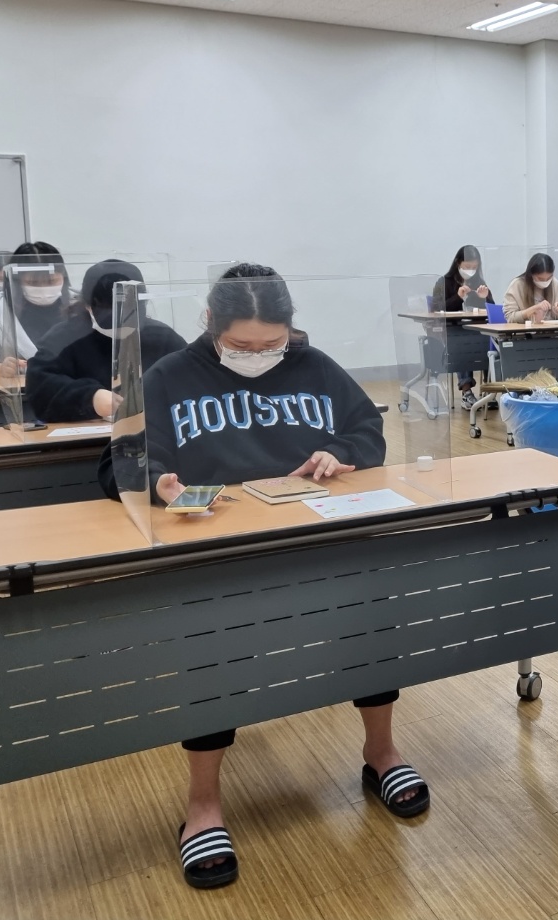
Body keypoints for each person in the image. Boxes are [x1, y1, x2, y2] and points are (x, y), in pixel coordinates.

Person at [126, 263, 427, 890]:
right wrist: (158, 482)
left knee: (370, 610)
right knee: (211, 645)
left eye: (273, 343)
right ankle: (203, 803)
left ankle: (380, 752)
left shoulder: (313, 366)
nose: (259, 355)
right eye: (242, 344)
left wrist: (341, 452)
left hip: (315, 537)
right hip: (221, 551)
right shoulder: (168, 377)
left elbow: (367, 429)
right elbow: (122, 460)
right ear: (210, 322)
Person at [25, 260, 187, 422]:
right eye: (110, 316)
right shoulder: (63, 339)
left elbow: (188, 376)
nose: (120, 323)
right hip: (85, 432)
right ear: (87, 306)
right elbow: (40, 386)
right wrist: (90, 398)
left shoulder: (162, 338)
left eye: (129, 314)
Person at [0, 241, 74, 379]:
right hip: (23, 391)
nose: (43, 288)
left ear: (64, 277)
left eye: (51, 281)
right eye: (33, 283)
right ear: (17, 281)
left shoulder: (81, 307)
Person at [433, 245, 494, 408]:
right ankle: (467, 392)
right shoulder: (443, 282)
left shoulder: (479, 283)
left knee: (490, 342)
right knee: (463, 343)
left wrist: (485, 298)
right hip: (453, 330)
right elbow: (435, 309)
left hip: (476, 329)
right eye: (467, 267)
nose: (470, 271)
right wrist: (458, 297)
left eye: (474, 267)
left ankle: (489, 392)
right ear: (458, 263)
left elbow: (492, 309)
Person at [503, 252, 558, 323]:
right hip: (524, 329)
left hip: (549, 328)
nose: (545, 282)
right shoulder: (517, 285)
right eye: (540, 279)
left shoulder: (554, 283)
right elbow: (510, 318)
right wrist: (532, 310)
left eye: (549, 278)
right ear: (531, 274)